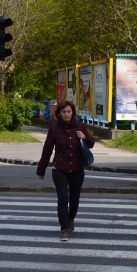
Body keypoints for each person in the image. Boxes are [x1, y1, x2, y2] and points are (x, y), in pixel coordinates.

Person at [37, 100, 95, 242]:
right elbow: (47, 150)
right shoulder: (54, 129)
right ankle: (64, 229)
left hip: (77, 168)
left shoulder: (79, 126)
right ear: (59, 114)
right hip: (59, 168)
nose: (67, 114)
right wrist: (41, 169)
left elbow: (91, 143)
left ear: (72, 113)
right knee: (63, 198)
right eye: (64, 112)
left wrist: (84, 136)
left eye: (69, 112)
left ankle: (70, 219)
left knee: (74, 198)